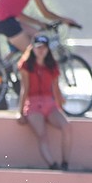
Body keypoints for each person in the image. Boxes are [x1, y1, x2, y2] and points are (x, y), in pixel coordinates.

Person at [17, 35, 71, 170]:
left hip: (49, 104)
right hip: (34, 104)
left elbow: (56, 89)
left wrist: (59, 107)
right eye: (38, 48)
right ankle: (52, 164)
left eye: (44, 48)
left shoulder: (52, 66)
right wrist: (21, 112)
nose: (41, 51)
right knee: (42, 135)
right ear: (33, 49)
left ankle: (65, 163)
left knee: (66, 127)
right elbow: (25, 89)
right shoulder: (26, 65)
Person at [0, 0, 80, 53]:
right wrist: (64, 20)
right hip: (3, 20)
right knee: (34, 54)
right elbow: (45, 13)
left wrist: (39, 23)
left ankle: (8, 62)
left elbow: (18, 14)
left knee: (36, 34)